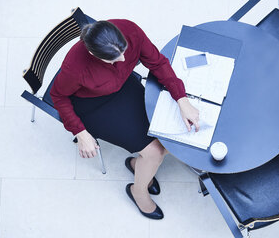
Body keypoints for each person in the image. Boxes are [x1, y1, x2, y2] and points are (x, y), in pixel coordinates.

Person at [50, 19, 200, 220]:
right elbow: (58, 96)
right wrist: (80, 132)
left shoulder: (129, 30)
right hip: (94, 106)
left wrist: (182, 99)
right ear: (94, 54)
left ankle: (138, 167)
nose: (123, 59)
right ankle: (139, 191)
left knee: (163, 138)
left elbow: (157, 62)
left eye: (123, 51)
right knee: (155, 151)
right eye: (113, 59)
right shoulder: (75, 68)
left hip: (123, 87)